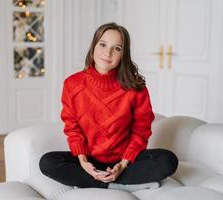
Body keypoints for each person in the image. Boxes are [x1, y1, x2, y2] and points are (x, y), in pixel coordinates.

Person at [39, 22, 178, 192]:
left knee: (168, 160)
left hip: (125, 161)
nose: (108, 53)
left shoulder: (136, 88)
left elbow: (140, 132)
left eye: (117, 48)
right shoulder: (72, 84)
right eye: (103, 44)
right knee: (47, 162)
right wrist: (84, 163)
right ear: (94, 46)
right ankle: (114, 185)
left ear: (123, 54)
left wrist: (123, 164)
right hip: (90, 161)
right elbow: (72, 128)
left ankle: (101, 181)